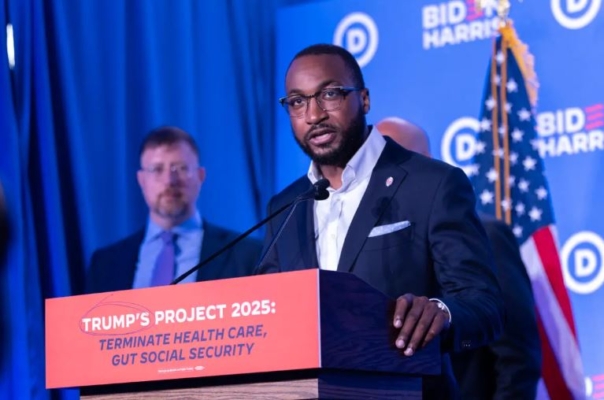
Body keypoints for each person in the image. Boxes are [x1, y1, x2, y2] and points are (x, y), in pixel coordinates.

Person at [256, 43, 504, 399]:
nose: (314, 114)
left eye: (329, 94)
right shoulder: (286, 205)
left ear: (365, 99)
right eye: (297, 101)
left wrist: (441, 311)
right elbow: (269, 311)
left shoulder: (431, 184)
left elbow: (485, 304)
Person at [377, 116, 542, 399]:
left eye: (393, 160)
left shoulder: (484, 234)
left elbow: (517, 359)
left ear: (426, 164)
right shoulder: (375, 245)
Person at [86, 126, 262, 293]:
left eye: (181, 168)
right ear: (141, 180)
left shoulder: (246, 255)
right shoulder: (105, 264)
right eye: (157, 169)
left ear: (200, 176)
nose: (169, 180)